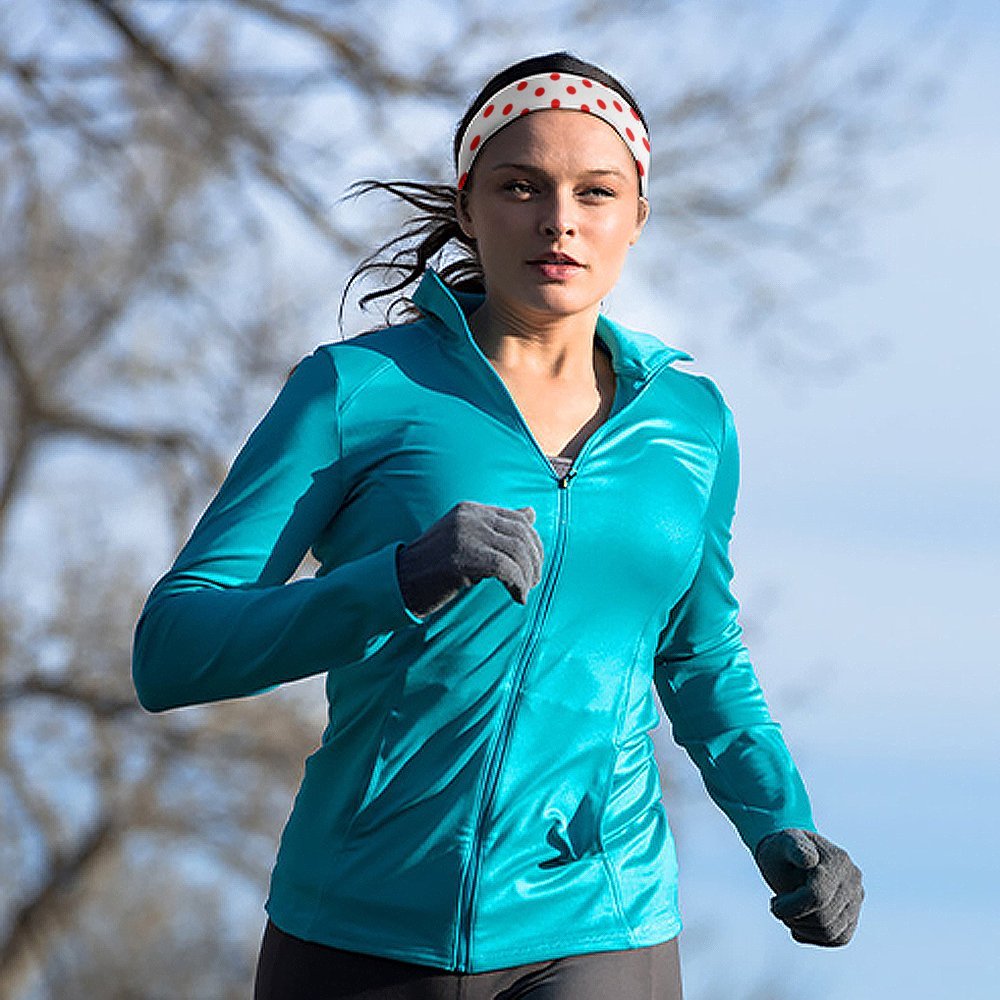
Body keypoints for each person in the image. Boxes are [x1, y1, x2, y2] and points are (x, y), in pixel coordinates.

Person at [131, 50, 864, 1000]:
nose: (559, 219)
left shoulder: (692, 423)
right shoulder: (357, 390)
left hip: (600, 919)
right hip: (359, 924)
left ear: (636, 217)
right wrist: (399, 576)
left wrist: (783, 824)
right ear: (469, 204)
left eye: (595, 192)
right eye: (522, 186)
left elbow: (699, 656)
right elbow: (173, 648)